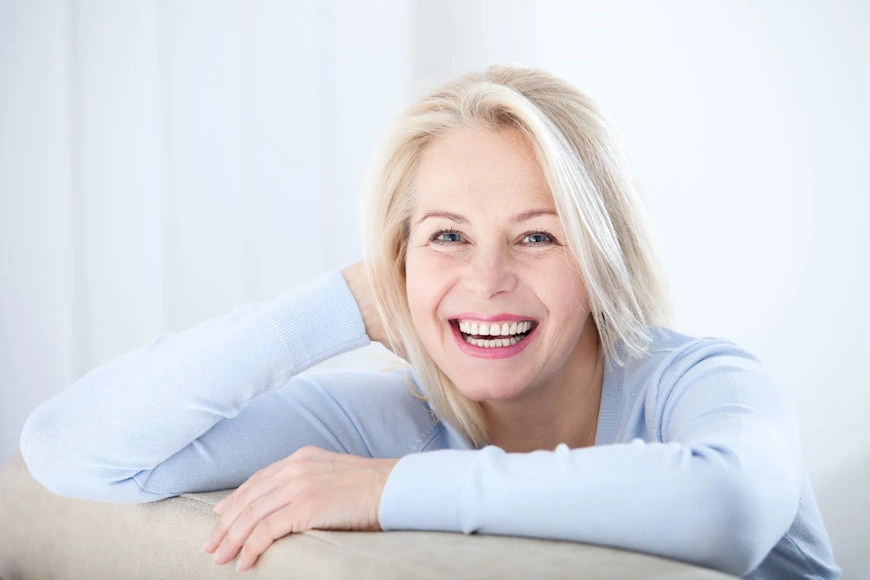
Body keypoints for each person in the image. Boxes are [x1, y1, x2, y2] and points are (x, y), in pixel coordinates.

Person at [19, 64, 840, 579]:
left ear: (601, 258)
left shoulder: (701, 380)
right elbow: (73, 451)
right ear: (398, 257)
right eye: (447, 236)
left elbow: (727, 511)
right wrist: (337, 305)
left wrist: (386, 492)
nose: (487, 280)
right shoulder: (388, 417)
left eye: (538, 236)